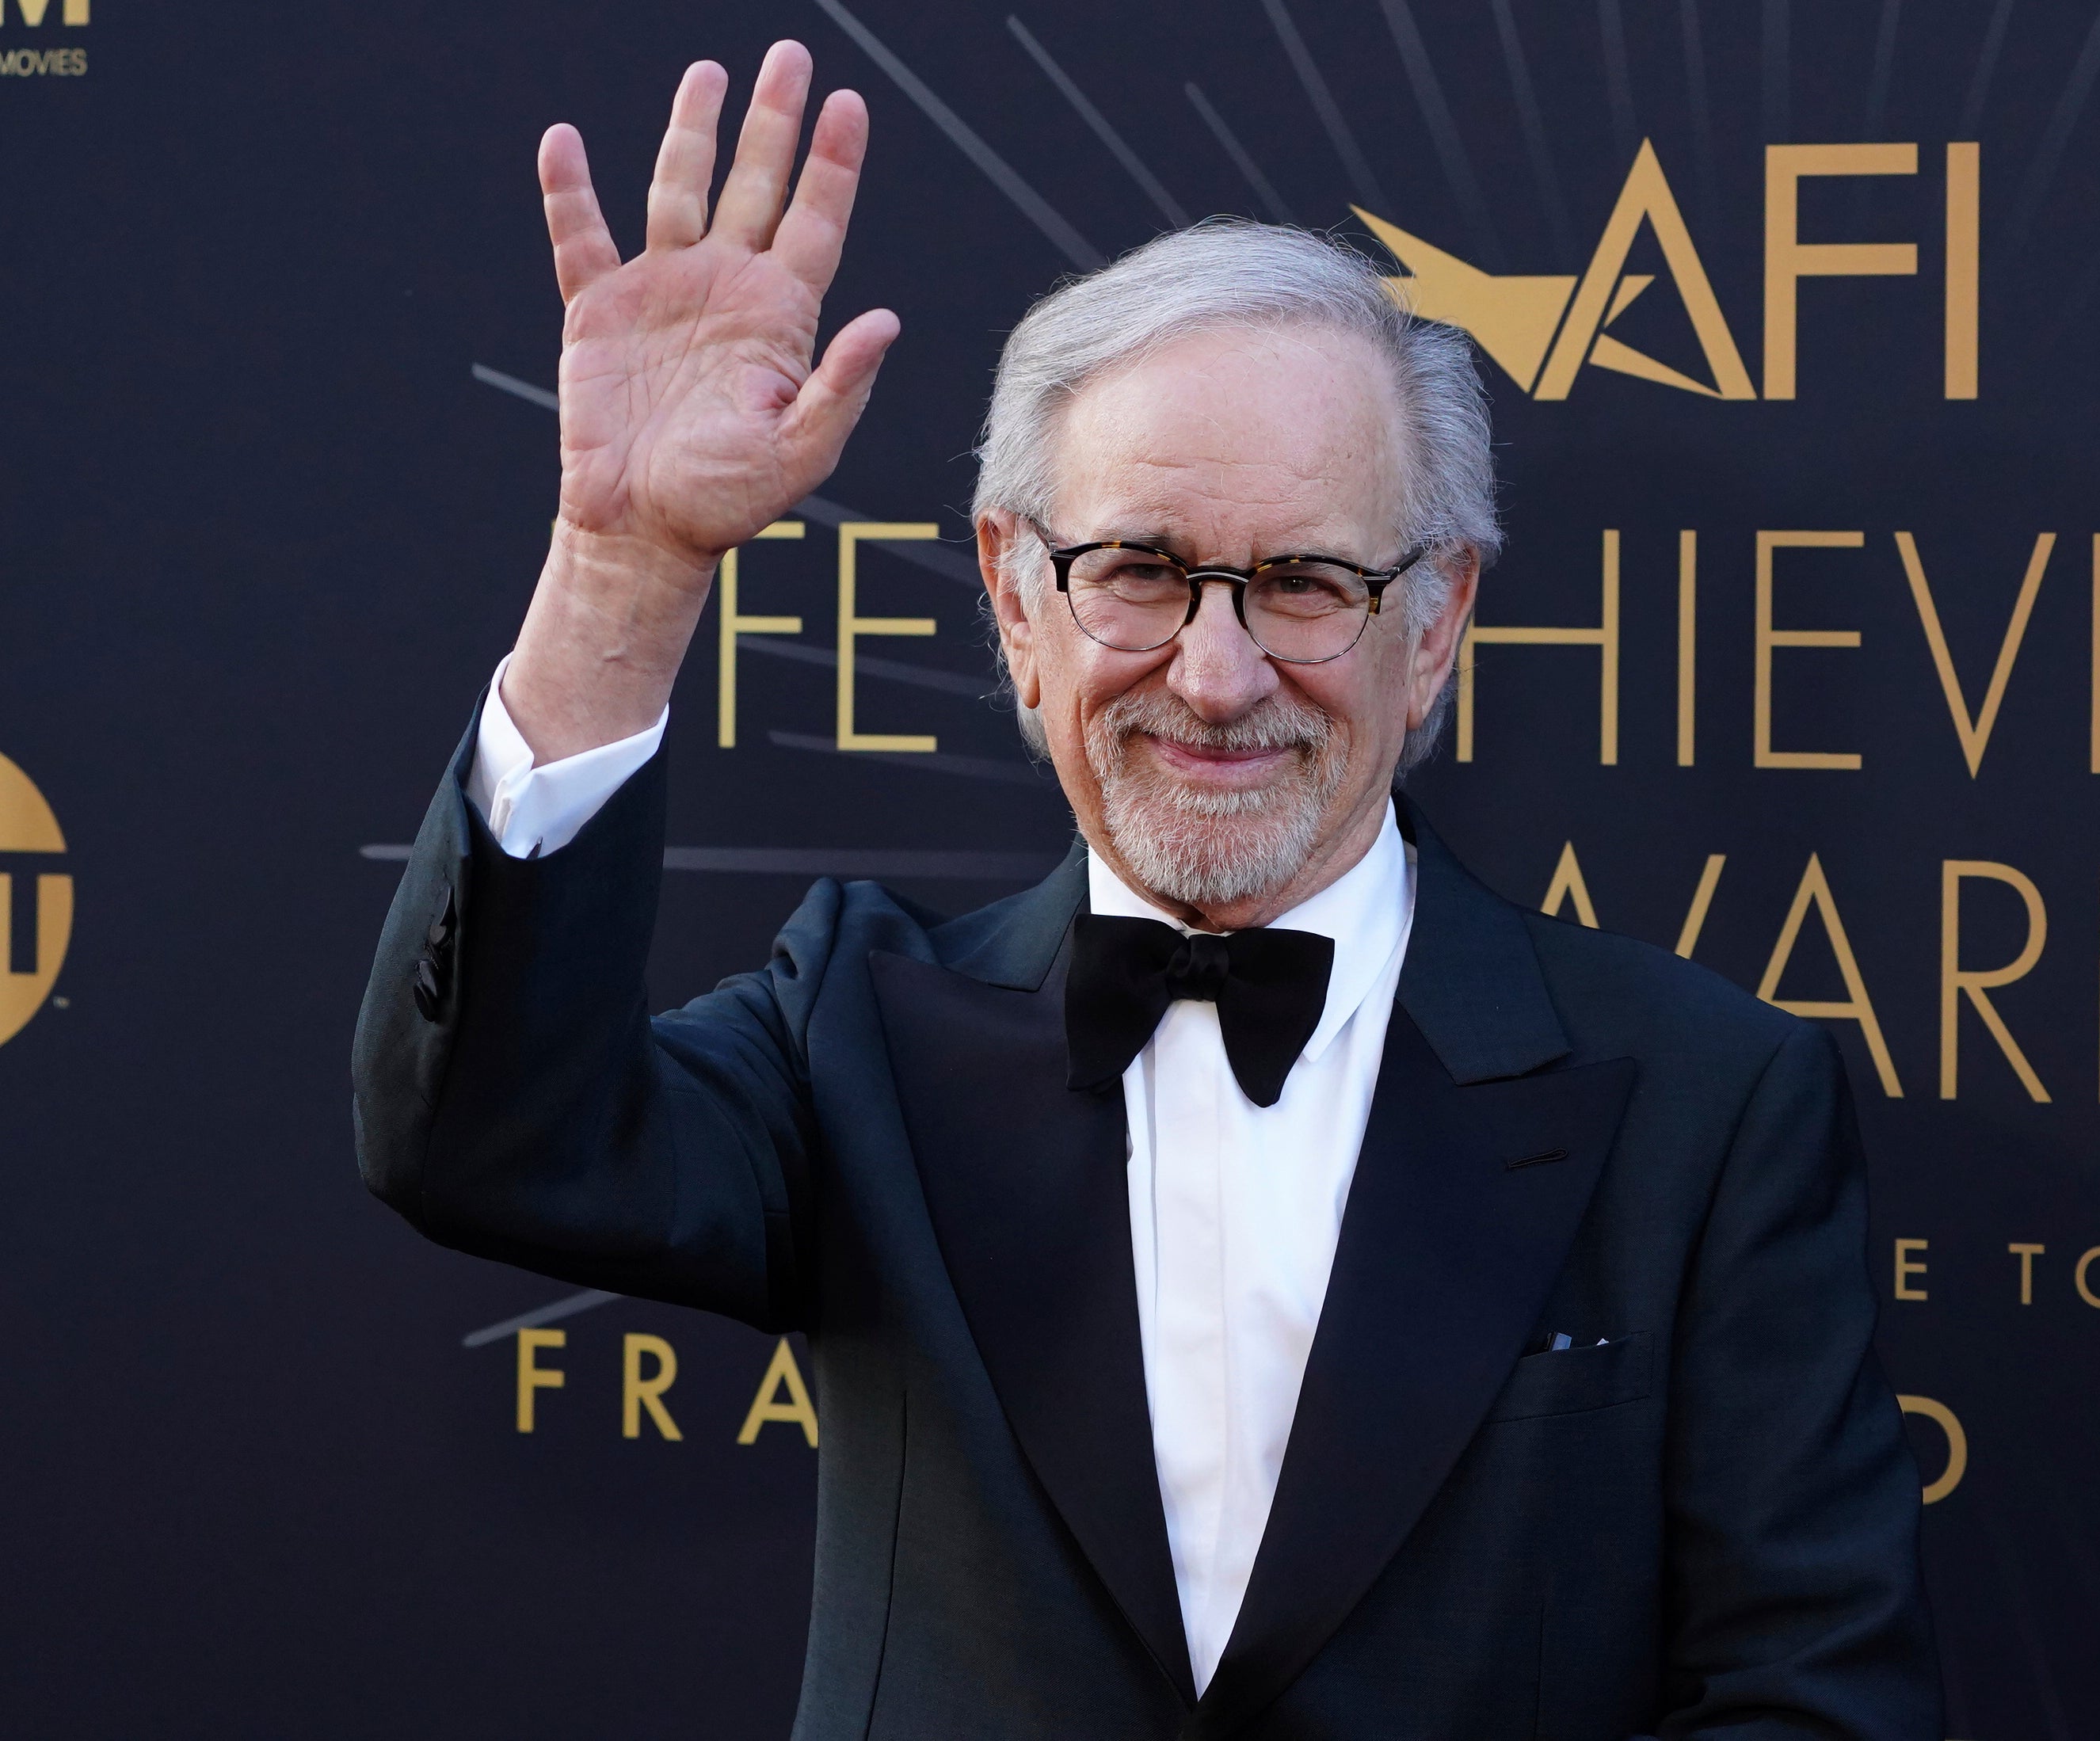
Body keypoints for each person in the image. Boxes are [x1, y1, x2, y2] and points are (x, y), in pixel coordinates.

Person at [355, 41, 1938, 1741]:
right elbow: (485, 1143)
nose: (1214, 670)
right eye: (1136, 570)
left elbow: (1812, 1701)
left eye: (1306, 580)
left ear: (1437, 624)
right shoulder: (854, 1026)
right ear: (1015, 599)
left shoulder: (1705, 1103)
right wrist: (623, 567)